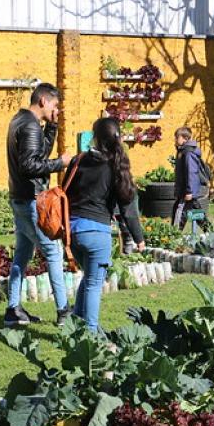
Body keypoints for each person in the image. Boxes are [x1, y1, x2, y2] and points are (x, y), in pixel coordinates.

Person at [65, 117, 145, 332]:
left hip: (72, 232)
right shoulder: (116, 166)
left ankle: (76, 323)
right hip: (97, 233)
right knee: (93, 284)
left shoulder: (78, 160)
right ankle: (90, 333)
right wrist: (139, 239)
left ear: (95, 137)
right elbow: (128, 209)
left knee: (88, 278)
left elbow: (65, 191)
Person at [4, 83, 72, 327]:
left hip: (19, 197)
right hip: (31, 200)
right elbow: (30, 165)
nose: (56, 109)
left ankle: (13, 309)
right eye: (54, 105)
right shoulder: (31, 125)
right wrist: (59, 163)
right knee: (53, 252)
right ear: (43, 101)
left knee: (22, 254)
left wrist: (52, 126)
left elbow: (38, 153)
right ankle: (64, 311)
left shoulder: (20, 120)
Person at [171, 126, 210, 231]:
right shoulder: (182, 151)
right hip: (185, 190)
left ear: (185, 138)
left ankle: (174, 236)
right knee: (195, 210)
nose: (175, 139)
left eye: (177, 137)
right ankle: (210, 232)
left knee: (179, 213)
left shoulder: (188, 153)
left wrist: (189, 191)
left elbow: (191, 172)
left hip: (186, 191)